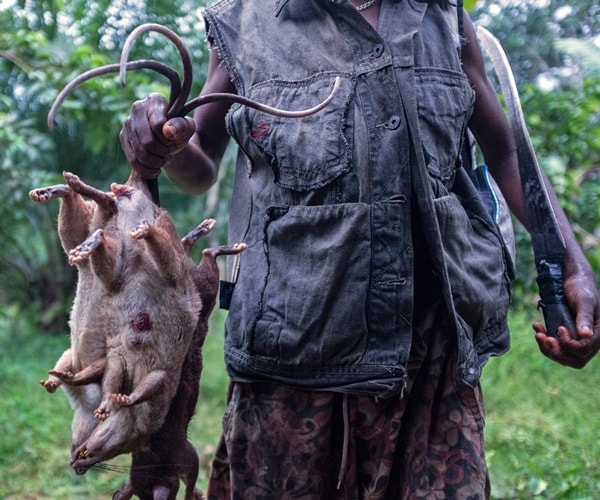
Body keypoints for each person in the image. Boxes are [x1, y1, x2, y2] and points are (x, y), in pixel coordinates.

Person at [120, 0, 600, 497]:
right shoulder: (246, 22)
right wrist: (164, 146)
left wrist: (571, 262)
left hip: (429, 362)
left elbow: (505, 153)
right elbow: (200, 161)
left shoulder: (446, 19)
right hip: (292, 357)